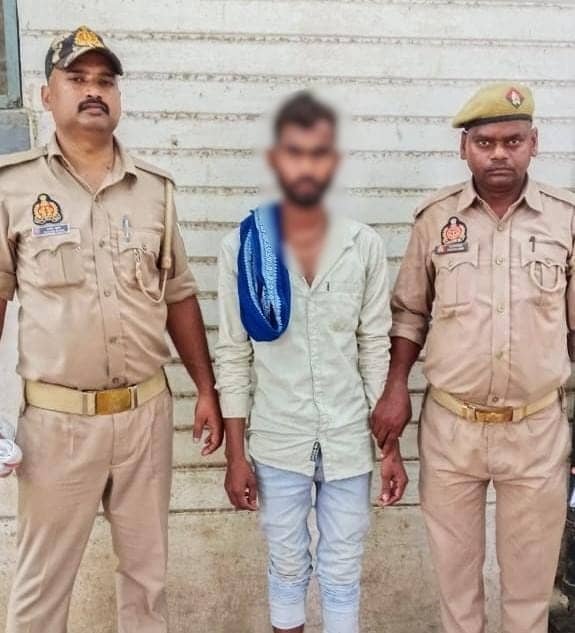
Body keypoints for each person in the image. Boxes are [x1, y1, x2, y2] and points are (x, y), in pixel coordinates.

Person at [1, 26, 222, 633]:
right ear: (46, 95)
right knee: (41, 586)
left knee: (147, 582)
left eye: (105, 81)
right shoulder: (13, 187)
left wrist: (206, 389)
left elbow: (178, 294)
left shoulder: (155, 191)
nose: (93, 91)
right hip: (57, 423)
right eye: (77, 79)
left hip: (145, 416)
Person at [371, 82, 574, 633]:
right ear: (465, 149)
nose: (499, 153)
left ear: (535, 143)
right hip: (452, 428)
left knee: (529, 593)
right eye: (485, 143)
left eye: (513, 141)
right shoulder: (435, 218)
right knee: (457, 588)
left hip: (536, 430)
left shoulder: (565, 219)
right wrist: (395, 389)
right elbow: (409, 314)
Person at [215, 91, 406, 633]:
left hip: (349, 437)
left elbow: (375, 346)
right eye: (294, 152)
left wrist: (389, 450)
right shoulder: (244, 248)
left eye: (318, 153)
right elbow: (233, 354)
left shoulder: (362, 245)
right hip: (278, 439)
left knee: (343, 568)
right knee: (286, 563)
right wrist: (235, 455)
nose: (306, 165)